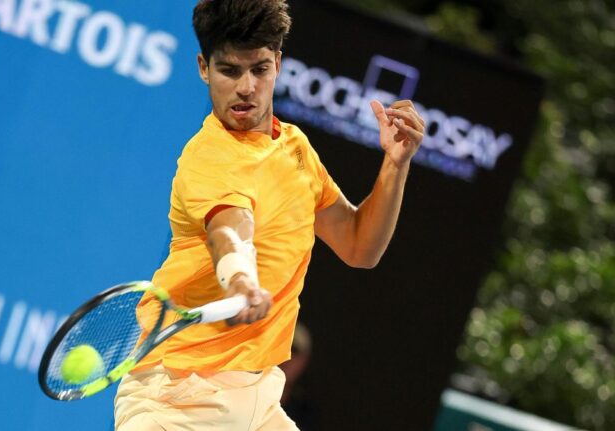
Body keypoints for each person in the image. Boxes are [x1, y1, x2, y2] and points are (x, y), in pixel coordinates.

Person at [114, 1, 425, 429]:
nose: (246, 87)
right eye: (229, 71)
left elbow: (359, 246)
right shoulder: (207, 159)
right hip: (177, 396)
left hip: (258, 397)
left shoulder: (295, 148)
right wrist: (242, 282)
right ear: (204, 68)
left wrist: (395, 163)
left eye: (259, 70)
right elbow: (230, 230)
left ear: (277, 64)